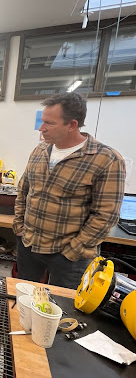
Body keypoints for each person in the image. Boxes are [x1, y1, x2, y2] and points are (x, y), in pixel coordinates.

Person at [13, 92, 126, 289]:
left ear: (72, 125)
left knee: (64, 311)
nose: (41, 128)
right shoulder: (40, 151)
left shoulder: (106, 159)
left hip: (68, 256)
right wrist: (19, 227)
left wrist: (74, 250)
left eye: (49, 123)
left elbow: (105, 215)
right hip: (29, 244)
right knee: (23, 299)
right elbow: (24, 190)